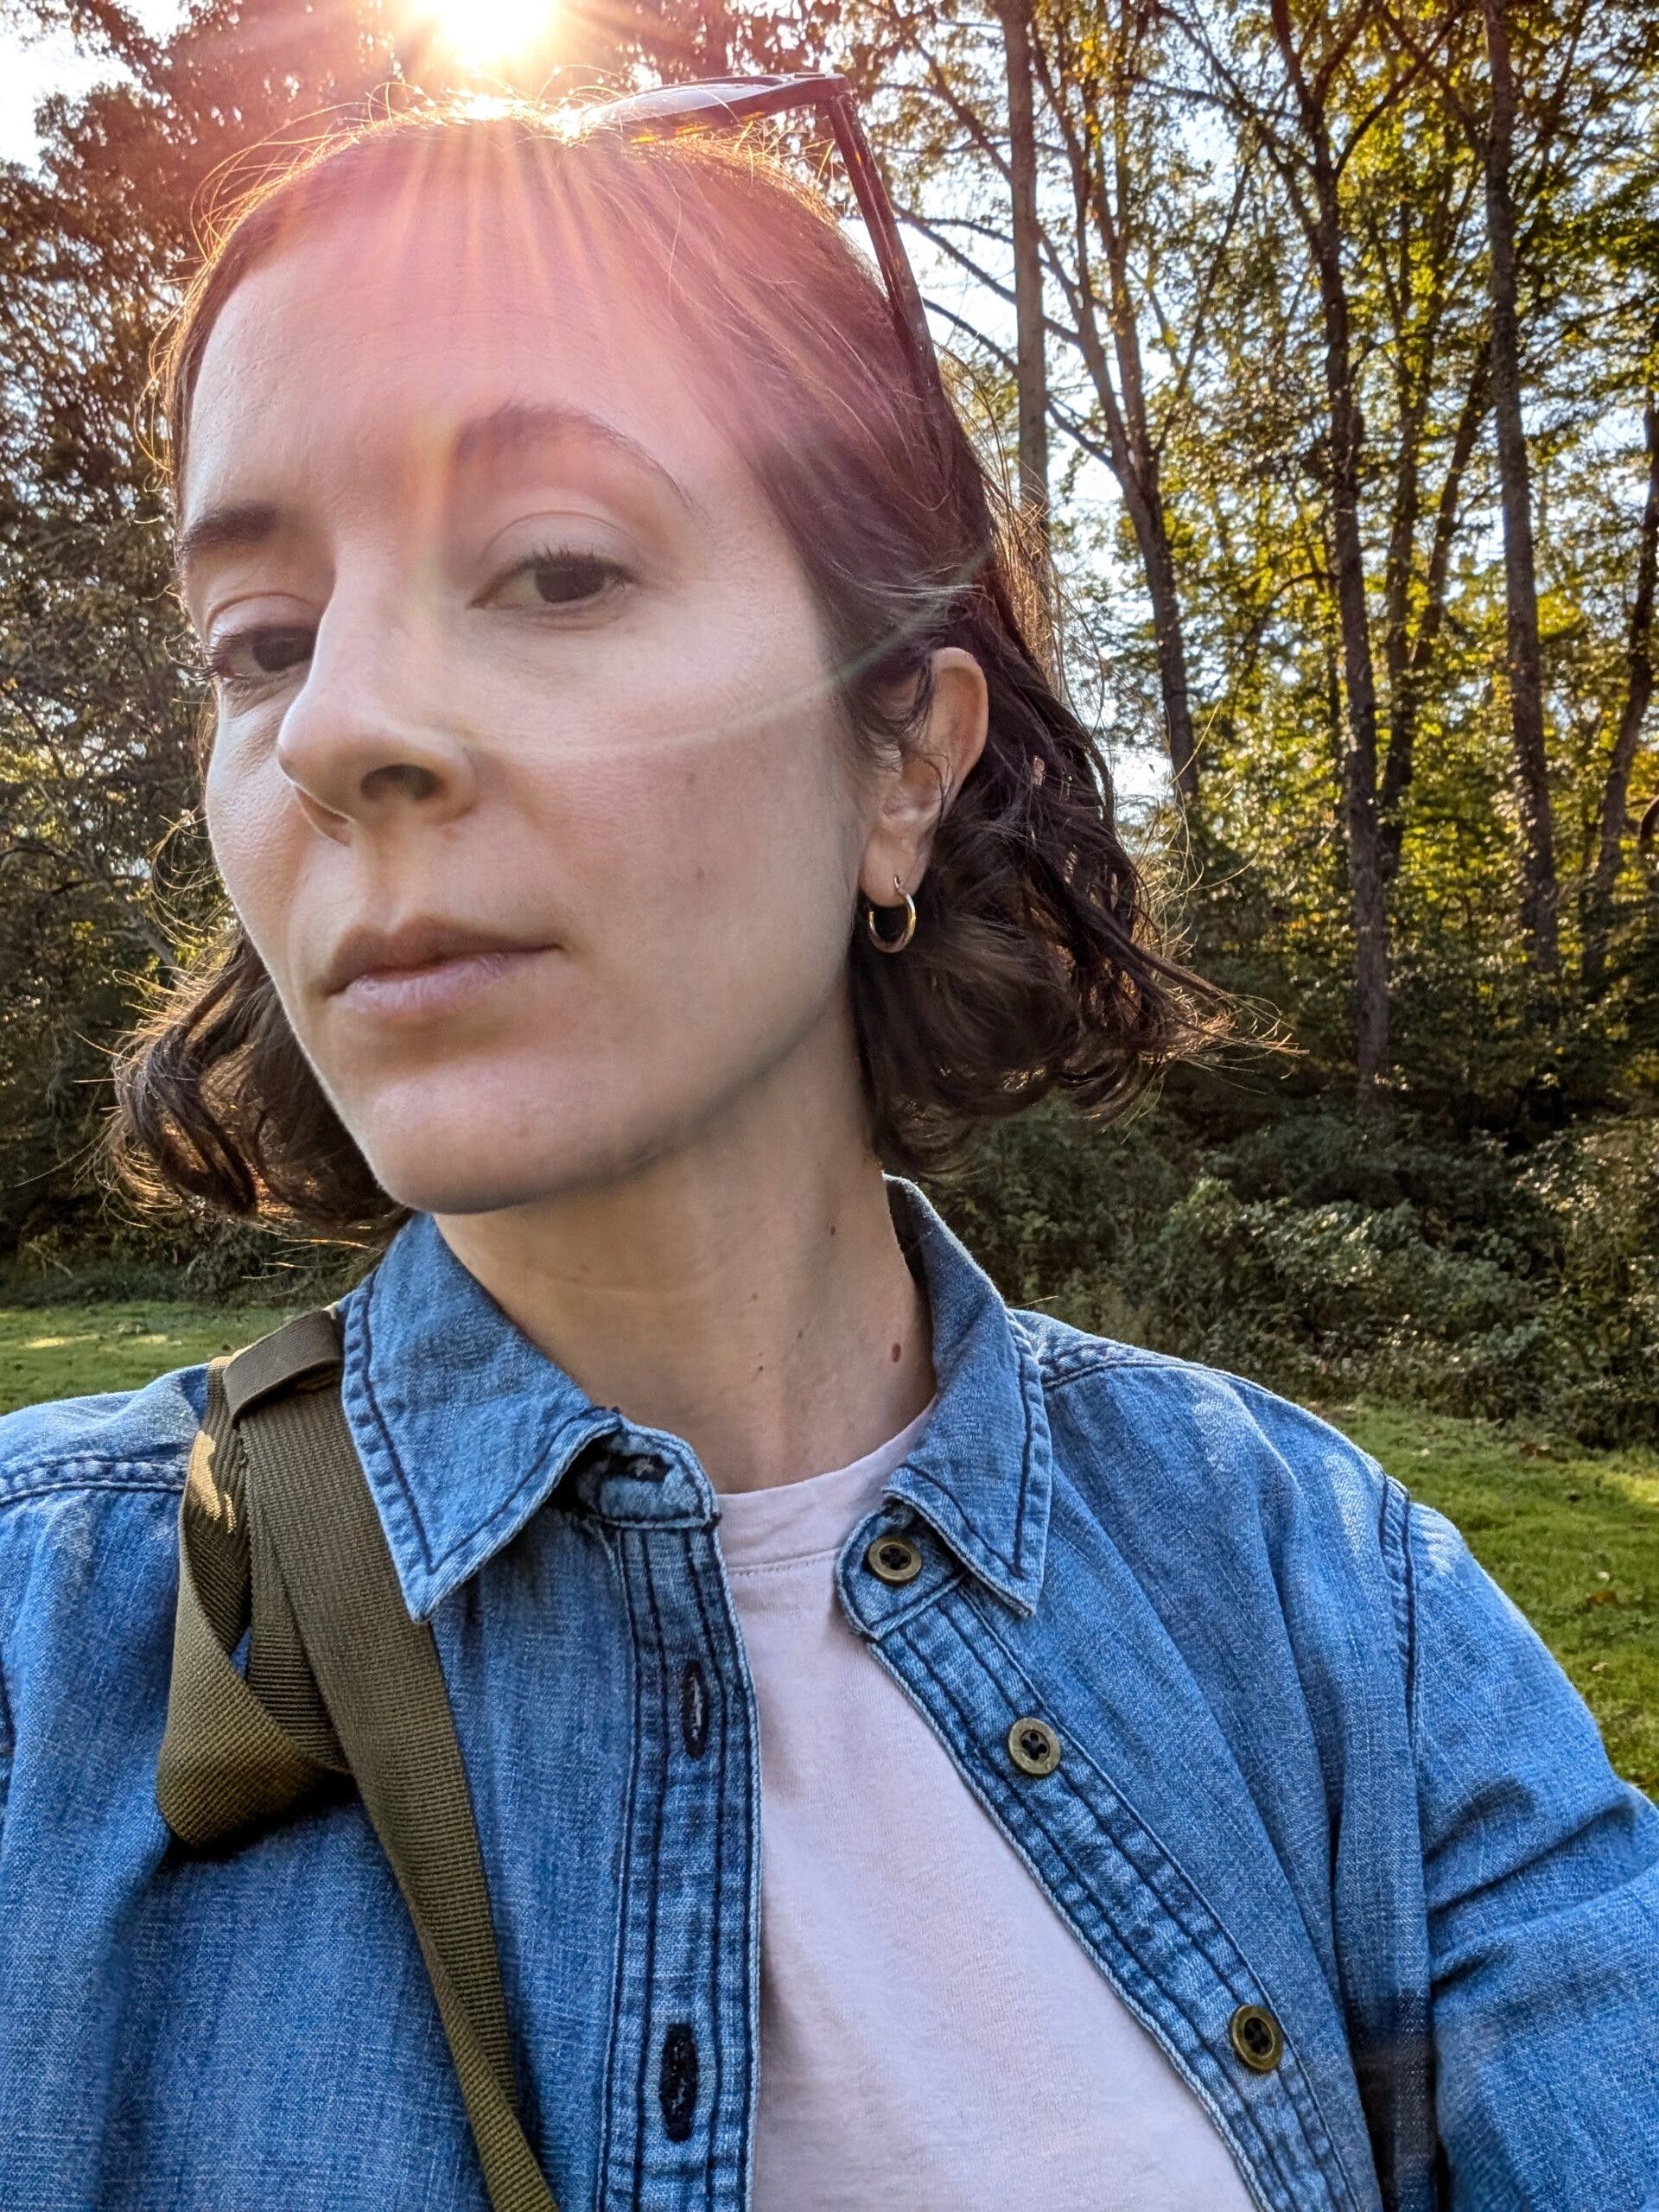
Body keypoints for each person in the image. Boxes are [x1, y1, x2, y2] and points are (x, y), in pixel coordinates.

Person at [0, 89, 1655, 2212]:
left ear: (903, 759)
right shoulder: (43, 1666)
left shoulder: (1332, 1610)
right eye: (262, 642)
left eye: (559, 566)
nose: (337, 728)